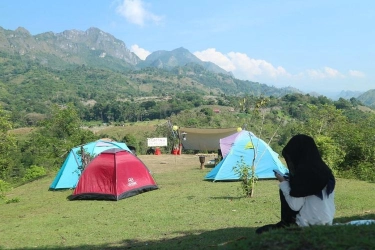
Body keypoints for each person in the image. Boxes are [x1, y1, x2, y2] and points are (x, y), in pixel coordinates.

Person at [255, 134, 336, 234]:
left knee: (261, 232)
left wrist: (283, 182)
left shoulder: (304, 175)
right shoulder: (325, 171)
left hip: (307, 225)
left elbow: (295, 206)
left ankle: (286, 224)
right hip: (327, 222)